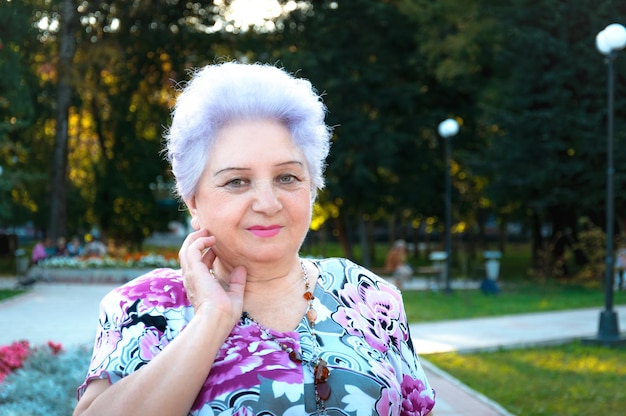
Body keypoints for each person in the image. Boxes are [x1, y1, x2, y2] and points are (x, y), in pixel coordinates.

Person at [73, 62, 435, 416]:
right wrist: (211, 319)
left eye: (287, 178)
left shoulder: (370, 297)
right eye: (236, 181)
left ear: (311, 188)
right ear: (193, 201)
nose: (267, 203)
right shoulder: (145, 307)